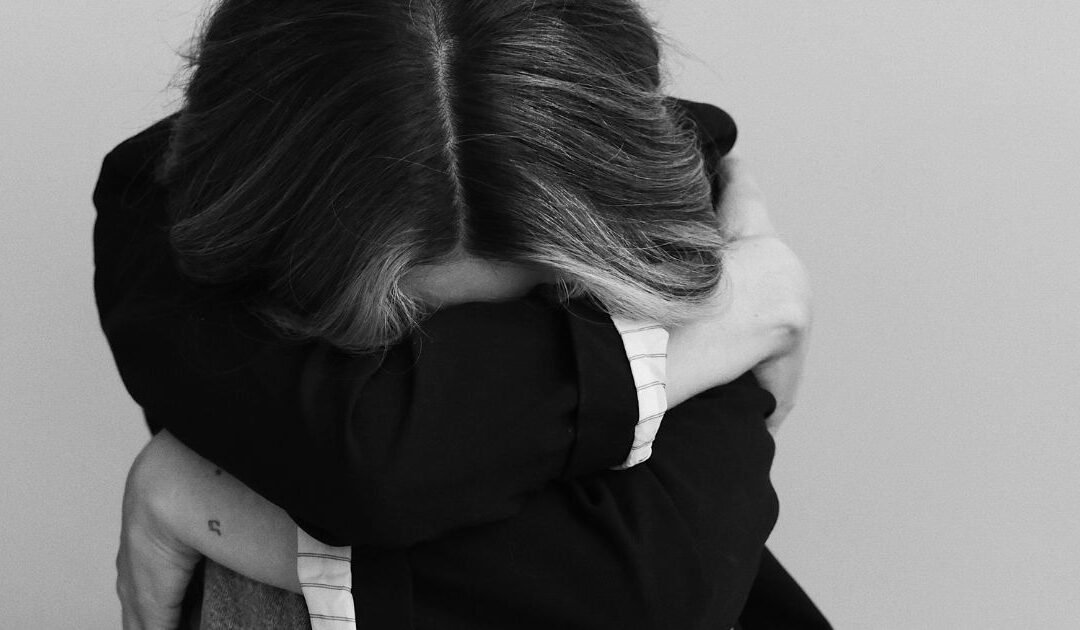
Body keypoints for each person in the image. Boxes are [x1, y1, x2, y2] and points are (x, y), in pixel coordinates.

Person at [93, 0, 827, 628]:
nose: (461, 372)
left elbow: (651, 586)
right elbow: (365, 463)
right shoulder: (176, 207)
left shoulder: (651, 213)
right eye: (413, 353)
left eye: (534, 314)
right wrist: (709, 332)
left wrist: (198, 498)